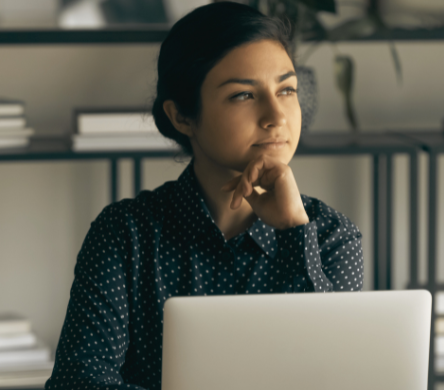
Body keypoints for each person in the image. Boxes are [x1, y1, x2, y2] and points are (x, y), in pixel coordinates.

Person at [45, 3, 364, 389]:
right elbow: (79, 381)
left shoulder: (331, 236)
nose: (277, 116)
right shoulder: (124, 234)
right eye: (244, 95)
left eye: (287, 89)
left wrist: (295, 231)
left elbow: (335, 375)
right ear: (182, 116)